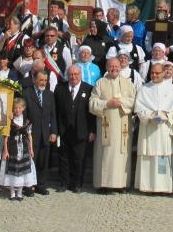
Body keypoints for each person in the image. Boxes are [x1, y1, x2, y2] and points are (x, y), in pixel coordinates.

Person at [89, 58, 137, 192]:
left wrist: (120, 102)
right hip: (106, 125)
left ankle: (120, 184)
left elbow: (134, 101)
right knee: (106, 154)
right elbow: (92, 103)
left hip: (123, 125)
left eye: (116, 66)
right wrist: (107, 104)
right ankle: (103, 184)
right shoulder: (100, 83)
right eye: (111, 66)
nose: (114, 68)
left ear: (120, 67)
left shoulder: (128, 83)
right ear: (106, 67)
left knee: (122, 154)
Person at [134, 63, 173, 193]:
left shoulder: (172, 89)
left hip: (164, 130)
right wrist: (150, 116)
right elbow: (139, 109)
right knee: (149, 157)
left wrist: (166, 115)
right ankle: (148, 186)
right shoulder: (144, 89)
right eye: (152, 73)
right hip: (148, 129)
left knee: (163, 156)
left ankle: (164, 187)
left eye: (157, 73)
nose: (154, 75)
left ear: (164, 73)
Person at [54, 65, 95, 193]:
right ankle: (64, 183)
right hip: (64, 130)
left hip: (82, 130)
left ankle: (77, 183)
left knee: (79, 158)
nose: (73, 77)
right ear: (67, 75)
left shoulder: (88, 89)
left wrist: (93, 130)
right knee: (64, 158)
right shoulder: (60, 88)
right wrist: (55, 130)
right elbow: (55, 110)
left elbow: (92, 113)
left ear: (81, 75)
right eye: (71, 74)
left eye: (76, 74)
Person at [22, 70, 58, 195]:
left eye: (45, 80)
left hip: (46, 133)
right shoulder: (26, 94)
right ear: (34, 80)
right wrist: (25, 133)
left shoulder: (49, 94)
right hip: (32, 133)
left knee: (43, 161)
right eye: (41, 80)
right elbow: (24, 116)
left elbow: (53, 115)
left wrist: (54, 132)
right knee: (31, 161)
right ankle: (28, 186)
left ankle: (41, 185)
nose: (43, 82)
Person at [0, 98, 37, 200]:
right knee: (12, 170)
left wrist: (31, 149)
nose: (17, 110)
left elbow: (29, 136)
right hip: (12, 148)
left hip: (24, 148)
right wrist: (5, 150)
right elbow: (5, 137)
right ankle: (12, 192)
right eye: (15, 108)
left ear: (23, 108)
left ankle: (20, 193)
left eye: (19, 108)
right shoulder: (9, 121)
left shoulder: (27, 121)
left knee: (23, 171)